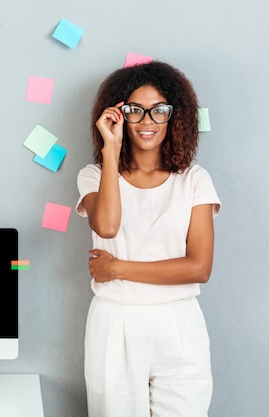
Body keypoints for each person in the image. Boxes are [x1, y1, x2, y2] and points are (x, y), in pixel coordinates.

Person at [75, 60, 222, 417]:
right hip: (116, 322)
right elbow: (107, 227)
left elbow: (199, 268)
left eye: (159, 110)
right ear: (118, 114)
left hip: (179, 323)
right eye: (135, 110)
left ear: (175, 117)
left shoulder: (194, 179)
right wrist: (111, 149)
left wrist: (117, 267)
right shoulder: (93, 176)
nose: (147, 121)